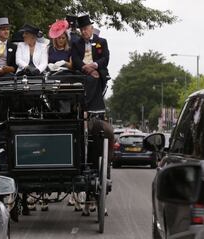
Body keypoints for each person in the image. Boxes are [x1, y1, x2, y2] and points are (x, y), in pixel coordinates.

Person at [71, 15, 114, 216]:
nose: (86, 32)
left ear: (91, 28)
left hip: (96, 72)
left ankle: (96, 107)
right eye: (83, 29)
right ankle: (83, 107)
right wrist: (84, 67)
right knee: (82, 79)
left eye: (88, 28)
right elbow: (76, 59)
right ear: (80, 31)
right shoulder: (77, 43)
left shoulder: (101, 42)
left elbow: (105, 57)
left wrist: (95, 66)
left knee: (96, 76)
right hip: (82, 73)